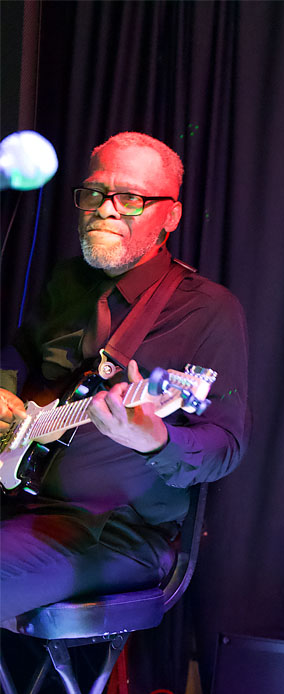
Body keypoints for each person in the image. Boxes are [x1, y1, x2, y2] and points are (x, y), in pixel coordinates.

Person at [0, 132, 249, 621]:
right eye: (94, 193)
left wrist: (156, 441)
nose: (106, 209)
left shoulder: (209, 309)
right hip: (18, 502)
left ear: (170, 217)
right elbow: (19, 352)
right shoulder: (67, 282)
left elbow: (226, 443)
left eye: (131, 198)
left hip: (112, 534)